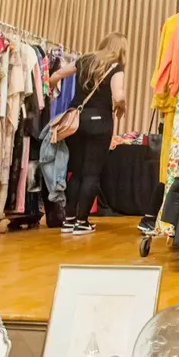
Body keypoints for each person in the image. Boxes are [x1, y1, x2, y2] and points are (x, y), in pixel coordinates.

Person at [49, 32, 127, 235]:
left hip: (77, 121)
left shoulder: (83, 60)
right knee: (92, 173)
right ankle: (82, 222)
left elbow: (56, 76)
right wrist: (122, 105)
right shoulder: (116, 67)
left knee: (76, 171)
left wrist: (49, 91)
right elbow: (118, 95)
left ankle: (69, 219)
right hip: (100, 122)